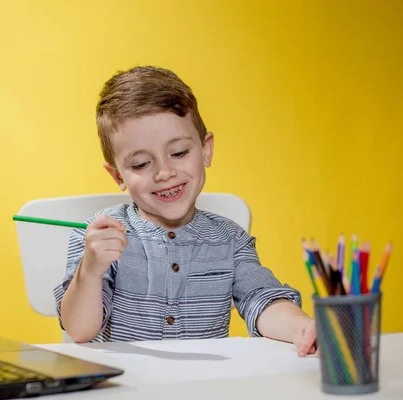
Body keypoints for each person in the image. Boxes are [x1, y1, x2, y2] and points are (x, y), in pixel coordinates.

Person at [53, 66, 316, 356]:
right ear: (118, 176)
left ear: (206, 150)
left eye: (178, 153)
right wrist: (90, 270)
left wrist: (301, 328)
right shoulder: (98, 237)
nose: (164, 173)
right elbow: (80, 329)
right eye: (141, 164)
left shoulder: (230, 239)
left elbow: (261, 299)